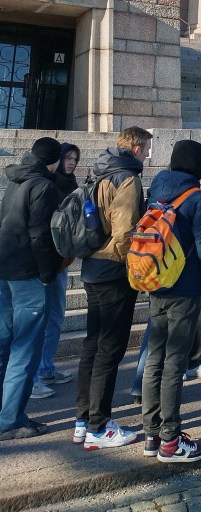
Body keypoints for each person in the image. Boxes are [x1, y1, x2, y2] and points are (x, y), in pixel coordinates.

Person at [141, 139, 201, 463]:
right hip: (184, 290)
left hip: (156, 283)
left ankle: (151, 435)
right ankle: (171, 441)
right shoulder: (196, 197)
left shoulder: (156, 189)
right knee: (174, 364)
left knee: (154, 360)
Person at [74, 126, 151, 450]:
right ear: (135, 148)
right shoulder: (127, 179)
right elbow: (125, 232)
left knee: (92, 346)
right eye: (146, 148)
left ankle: (83, 421)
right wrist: (132, 267)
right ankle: (99, 425)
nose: (148, 154)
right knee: (109, 349)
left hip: (92, 266)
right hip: (113, 271)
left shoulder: (100, 171)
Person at [0, 137, 61, 441]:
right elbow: (40, 236)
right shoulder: (43, 186)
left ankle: (6, 414)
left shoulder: (16, 180)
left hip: (5, 268)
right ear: (55, 160)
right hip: (27, 273)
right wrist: (48, 273)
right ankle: (10, 420)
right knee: (25, 349)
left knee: (4, 345)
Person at [31, 142, 80, 397]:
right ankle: (34, 375)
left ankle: (46, 367)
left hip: (62, 261)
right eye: (67, 158)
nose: (71, 163)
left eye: (75, 159)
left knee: (56, 318)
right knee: (40, 321)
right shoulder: (47, 186)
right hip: (45, 263)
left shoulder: (72, 185)